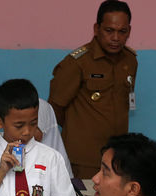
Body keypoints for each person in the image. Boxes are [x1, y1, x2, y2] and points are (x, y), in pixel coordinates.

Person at [48, 0, 138, 179]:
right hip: (83, 159)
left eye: (122, 31)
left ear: (129, 31)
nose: (115, 38)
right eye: (109, 30)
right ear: (97, 29)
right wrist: (79, 129)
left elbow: (124, 102)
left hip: (118, 157)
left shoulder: (130, 61)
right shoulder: (77, 63)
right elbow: (54, 108)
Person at [0, 98, 74, 179]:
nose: (26, 132)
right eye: (19, 126)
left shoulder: (55, 158)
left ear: (46, 127)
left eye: (33, 125)